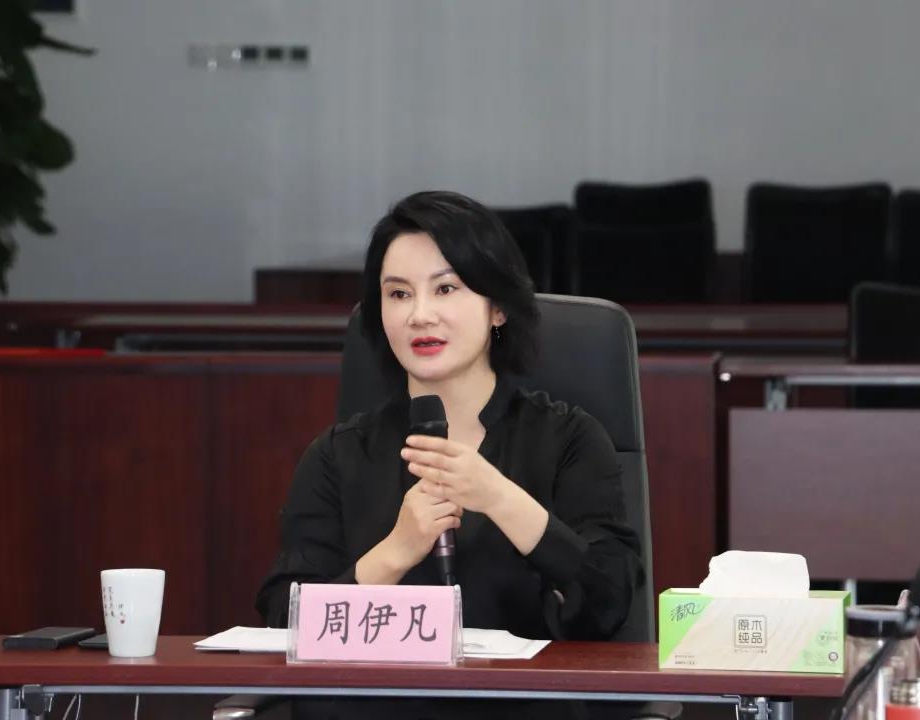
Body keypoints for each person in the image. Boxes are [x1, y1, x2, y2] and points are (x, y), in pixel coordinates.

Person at [256, 190, 644, 720]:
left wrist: (500, 497)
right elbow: (284, 624)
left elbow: (610, 604)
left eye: (446, 288)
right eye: (398, 294)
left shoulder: (569, 439)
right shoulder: (336, 456)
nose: (420, 315)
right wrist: (395, 551)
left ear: (498, 307)